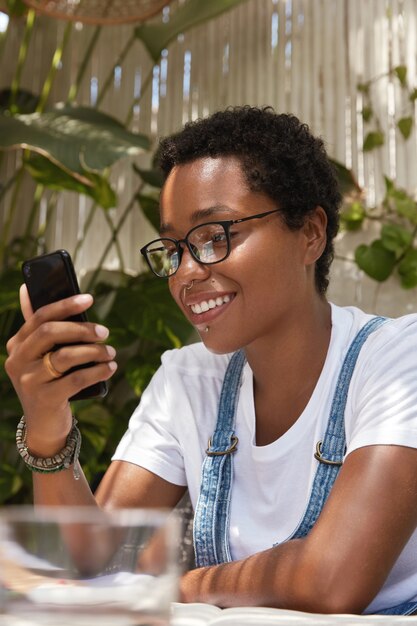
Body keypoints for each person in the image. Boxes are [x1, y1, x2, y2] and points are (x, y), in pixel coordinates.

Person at [5, 106, 417, 615]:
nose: (185, 274)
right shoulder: (188, 380)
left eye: (215, 236)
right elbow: (86, 567)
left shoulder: (396, 360)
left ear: (310, 233)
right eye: (175, 248)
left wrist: (173, 586)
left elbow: (331, 581)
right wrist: (48, 427)